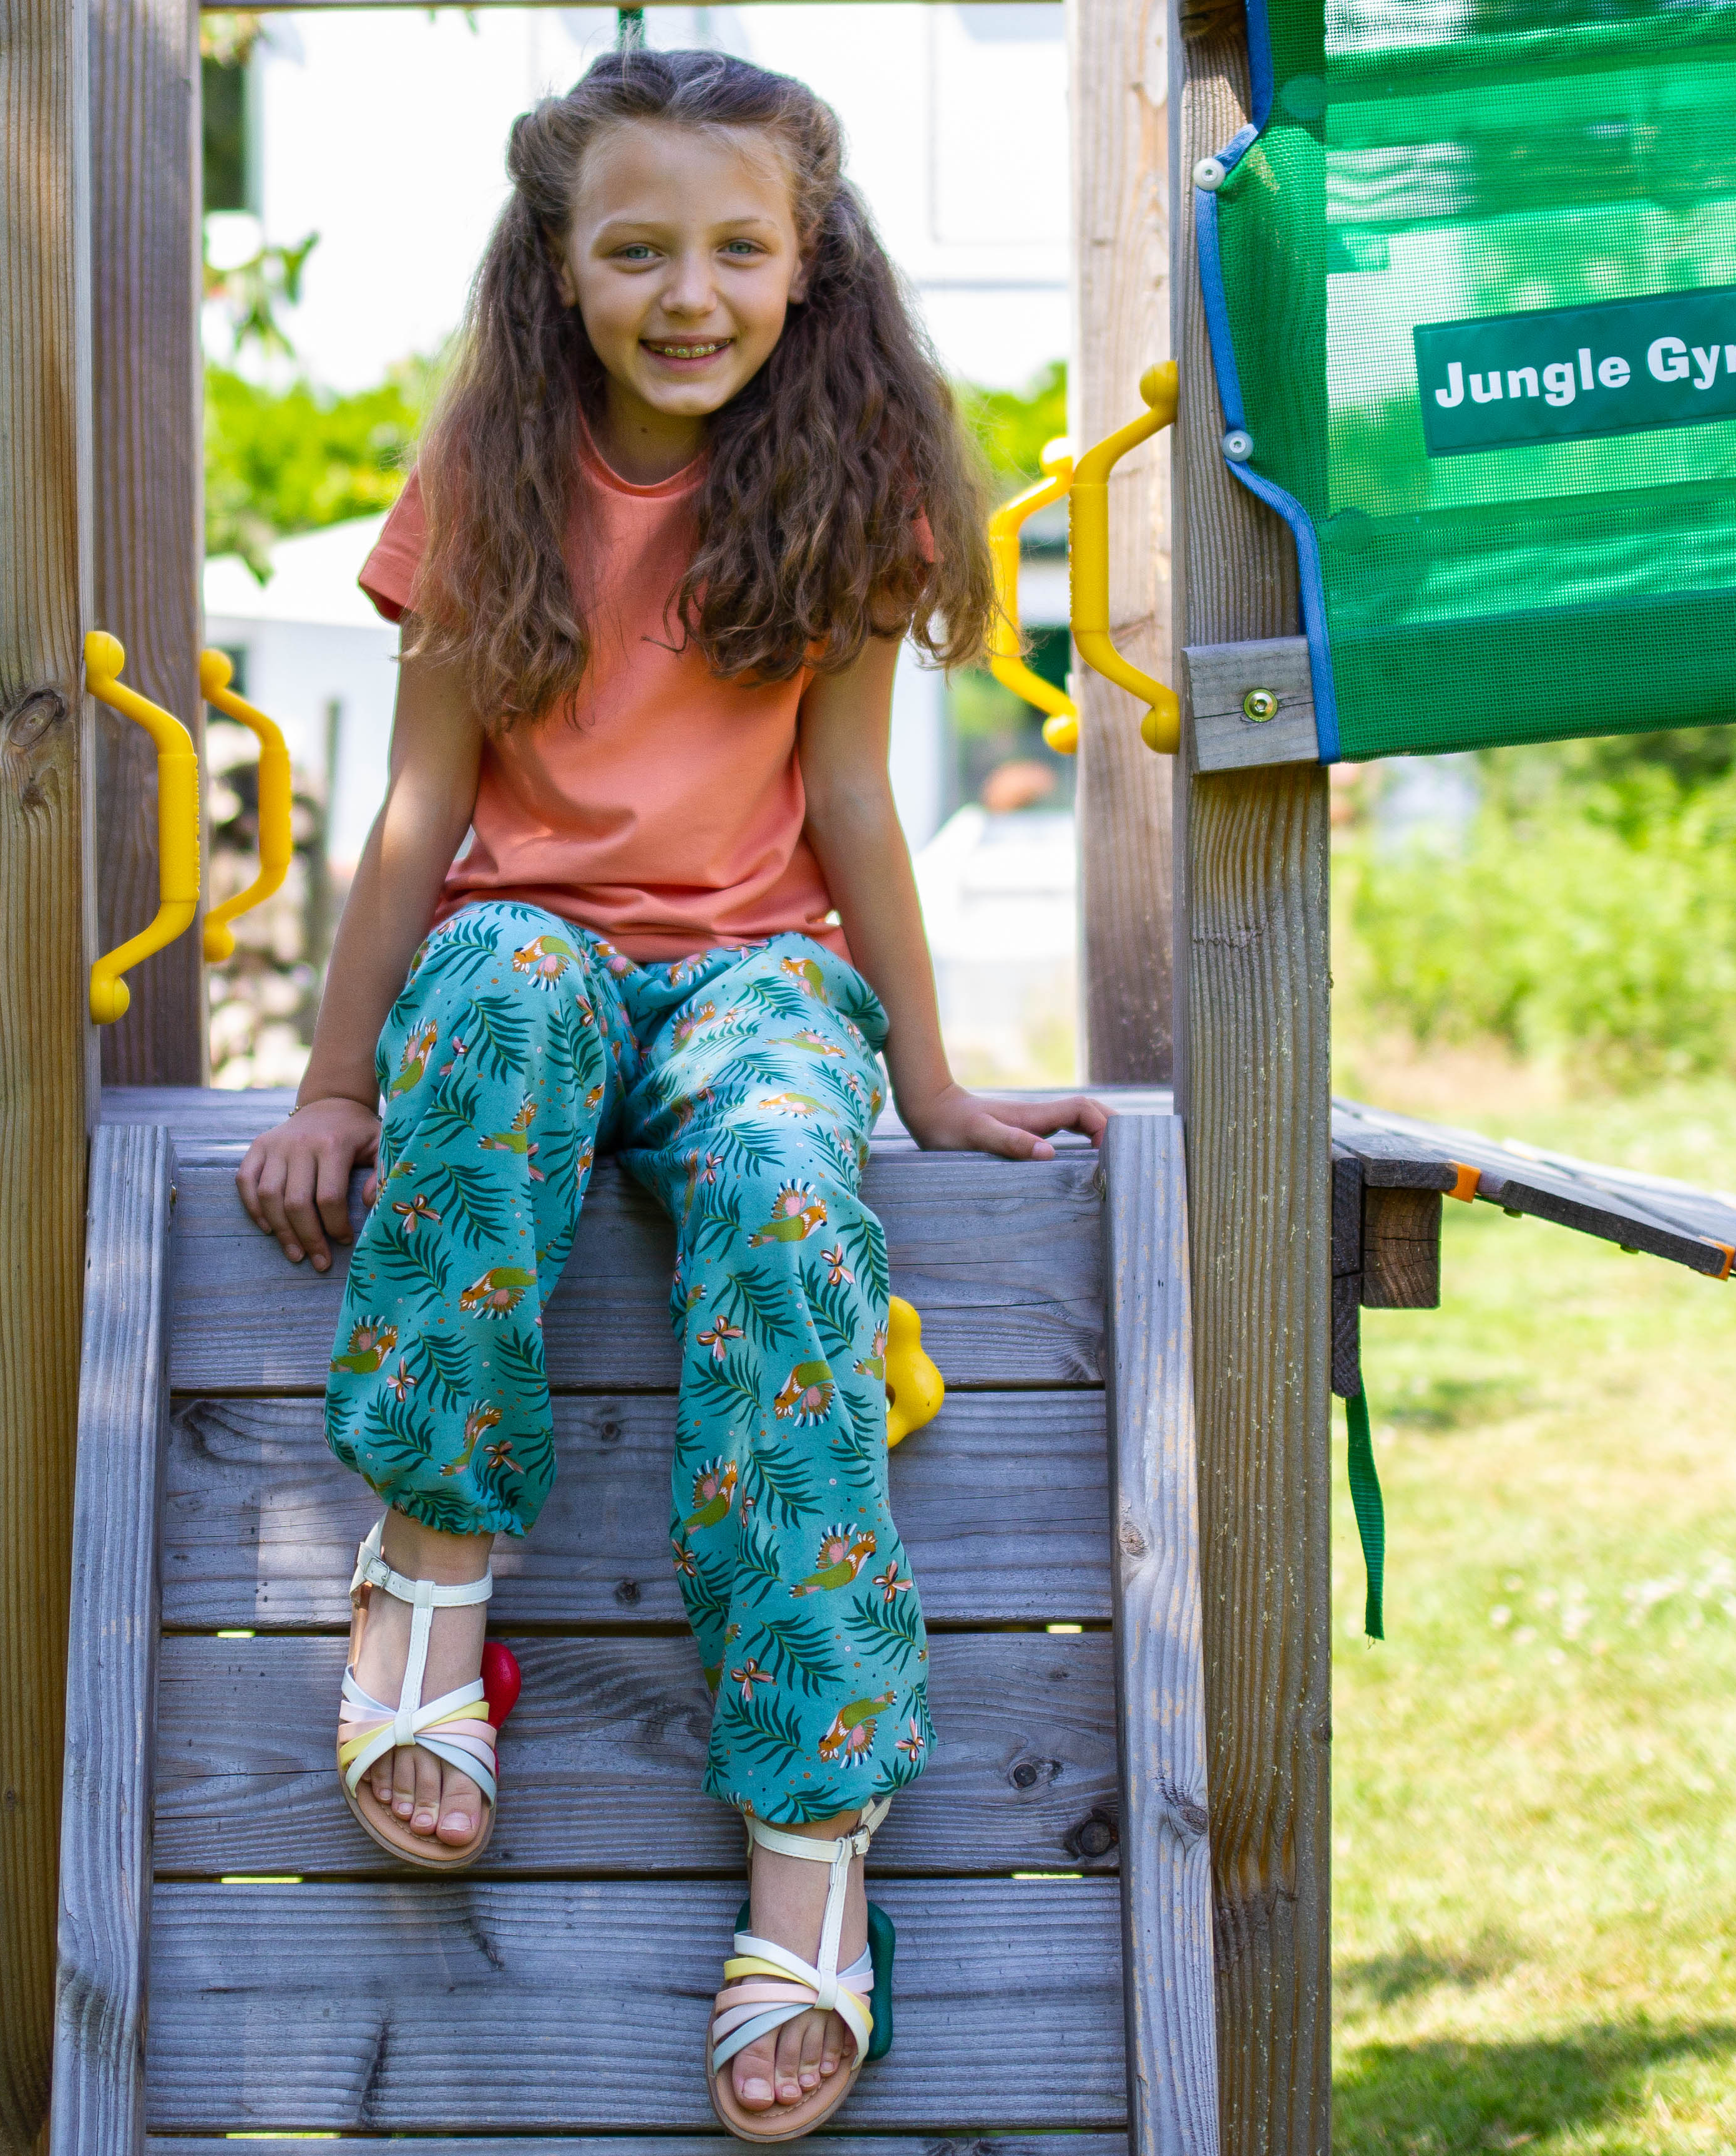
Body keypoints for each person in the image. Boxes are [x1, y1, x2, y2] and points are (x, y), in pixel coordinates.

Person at [237, 45, 1108, 2140]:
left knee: (798, 1199)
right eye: (638, 249)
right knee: (515, 992)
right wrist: (335, 1076)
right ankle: (431, 1576)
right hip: (523, 960)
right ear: (561, 267)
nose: (689, 290)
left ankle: (813, 1847)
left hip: (757, 987)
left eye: (739, 246)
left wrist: (931, 1071)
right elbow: (418, 800)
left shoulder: (854, 488)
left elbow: (853, 812)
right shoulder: (494, 479)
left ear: (813, 265)